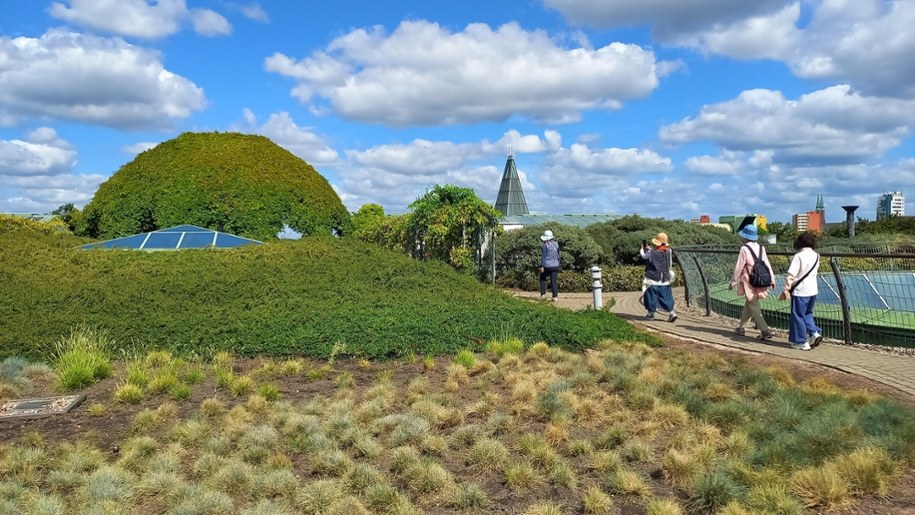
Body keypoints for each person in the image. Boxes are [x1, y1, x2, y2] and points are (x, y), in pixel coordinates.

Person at [728, 224, 776, 340]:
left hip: (748, 280)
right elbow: (767, 264)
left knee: (753, 304)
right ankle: (741, 327)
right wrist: (772, 279)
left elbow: (739, 266)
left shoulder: (744, 249)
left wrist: (733, 281)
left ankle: (765, 330)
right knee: (750, 303)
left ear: (745, 237)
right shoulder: (761, 248)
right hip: (760, 279)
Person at [779, 232, 822, 351]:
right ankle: (814, 333)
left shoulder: (798, 256)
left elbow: (791, 275)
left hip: (800, 290)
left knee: (797, 315)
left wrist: (786, 290)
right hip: (813, 289)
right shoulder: (816, 255)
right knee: (808, 313)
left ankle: (802, 342)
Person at [640, 232, 677, 322]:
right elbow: (661, 252)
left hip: (653, 278)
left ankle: (651, 314)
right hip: (665, 279)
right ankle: (672, 312)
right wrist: (650, 249)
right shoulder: (669, 251)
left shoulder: (651, 252)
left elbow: (644, 256)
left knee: (650, 296)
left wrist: (642, 249)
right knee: (666, 297)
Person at [539, 229, 560, 302]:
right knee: (553, 281)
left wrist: (541, 266)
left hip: (547, 266)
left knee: (542, 279)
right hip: (555, 265)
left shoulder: (544, 246)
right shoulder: (556, 244)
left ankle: (543, 295)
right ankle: (555, 297)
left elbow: (543, 257)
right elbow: (558, 255)